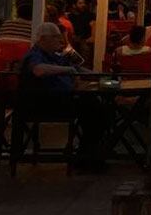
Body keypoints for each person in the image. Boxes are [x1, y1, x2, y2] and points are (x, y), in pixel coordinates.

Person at [19, 23, 105, 170]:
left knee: (98, 107)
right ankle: (86, 157)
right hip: (46, 104)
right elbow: (39, 70)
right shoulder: (35, 55)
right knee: (93, 108)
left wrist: (101, 77)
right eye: (55, 37)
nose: (60, 41)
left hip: (62, 100)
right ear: (43, 39)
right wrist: (68, 70)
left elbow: (78, 68)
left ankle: (90, 154)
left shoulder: (55, 56)